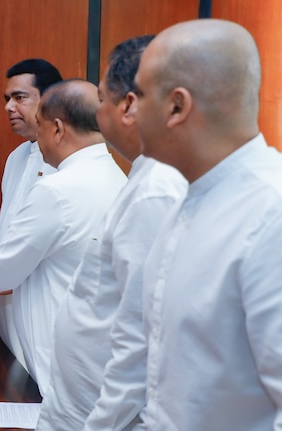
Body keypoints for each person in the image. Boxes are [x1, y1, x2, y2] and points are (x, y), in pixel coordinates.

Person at [135, 19, 282, 430]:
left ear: (177, 107)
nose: (131, 110)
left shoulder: (270, 214)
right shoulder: (192, 198)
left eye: (140, 95)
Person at [36, 36, 187, 431]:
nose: (96, 113)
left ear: (129, 106)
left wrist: (102, 423)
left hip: (101, 415)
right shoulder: (144, 175)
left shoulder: (156, 190)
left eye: (102, 99)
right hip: (83, 403)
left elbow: (143, 337)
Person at [0, 79, 127, 397]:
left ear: (57, 129)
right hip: (94, 344)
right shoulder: (116, 176)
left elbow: (6, 269)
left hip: (55, 346)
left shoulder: (57, 189)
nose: (36, 139)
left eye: (39, 127)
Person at [0, 59, 62, 368]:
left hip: (44, 300)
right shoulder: (16, 156)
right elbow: (10, 219)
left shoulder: (65, 160)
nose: (8, 107)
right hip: (7, 297)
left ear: (49, 99)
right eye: (7, 99)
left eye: (19, 97)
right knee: (11, 378)